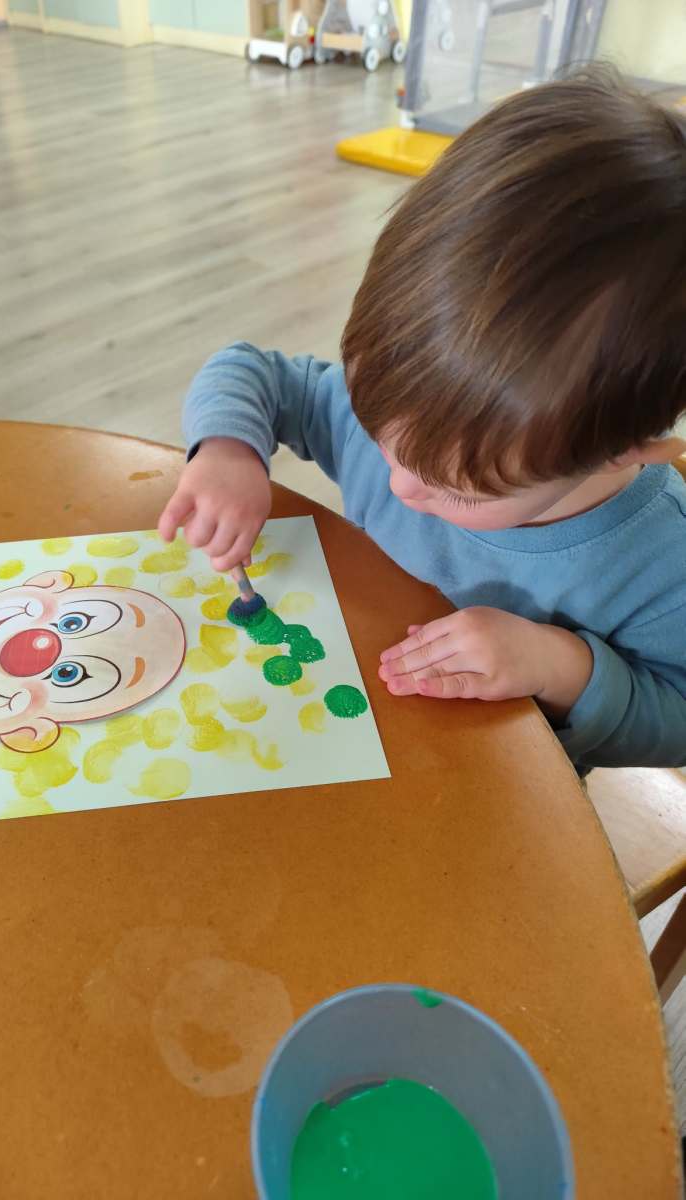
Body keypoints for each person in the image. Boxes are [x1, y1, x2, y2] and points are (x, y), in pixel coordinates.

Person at [157, 67, 686, 773]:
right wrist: (228, 449)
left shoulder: (662, 562)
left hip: (498, 794)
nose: (398, 485)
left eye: (456, 490)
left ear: (620, 452)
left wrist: (559, 666)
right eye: (377, 433)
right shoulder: (420, 424)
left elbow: (677, 720)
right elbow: (254, 370)